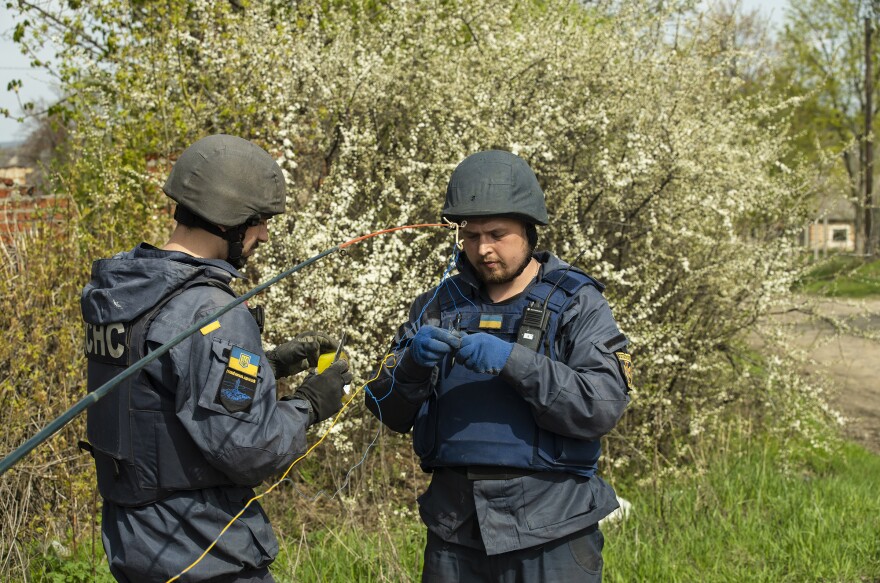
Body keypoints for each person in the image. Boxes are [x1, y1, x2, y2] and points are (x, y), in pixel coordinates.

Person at [80, 134, 352, 582]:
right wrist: (308, 404)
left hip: (134, 542)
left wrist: (267, 364)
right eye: (258, 220)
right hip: (202, 549)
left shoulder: (120, 290)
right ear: (228, 220)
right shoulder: (210, 310)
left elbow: (160, 388)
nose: (264, 233)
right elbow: (249, 448)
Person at [365, 150, 633, 582]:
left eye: (496, 234)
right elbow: (384, 408)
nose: (483, 248)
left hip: (552, 532)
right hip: (454, 532)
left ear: (529, 230)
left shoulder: (577, 302)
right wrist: (411, 366)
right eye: (470, 236)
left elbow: (600, 404)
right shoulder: (436, 306)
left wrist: (514, 362)